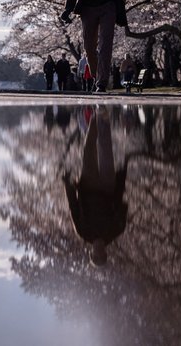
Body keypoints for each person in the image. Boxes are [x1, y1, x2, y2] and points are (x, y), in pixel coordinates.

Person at [63, 106, 128, 266]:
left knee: (88, 150)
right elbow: (122, 205)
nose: (98, 252)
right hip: (108, 186)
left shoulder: (83, 232)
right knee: (105, 150)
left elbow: (74, 206)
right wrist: (121, 179)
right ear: (105, 252)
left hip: (88, 186)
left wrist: (68, 184)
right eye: (101, 255)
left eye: (95, 255)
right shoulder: (116, 231)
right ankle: (103, 118)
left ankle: (94, 118)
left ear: (91, 252)